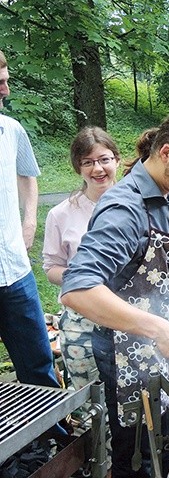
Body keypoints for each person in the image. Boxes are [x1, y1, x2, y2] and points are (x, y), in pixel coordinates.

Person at [61, 108, 169, 477]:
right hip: (126, 361)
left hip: (163, 356)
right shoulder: (124, 207)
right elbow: (78, 288)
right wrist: (159, 329)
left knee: (163, 451)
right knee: (135, 462)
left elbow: (147, 266)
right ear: (166, 152)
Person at [0, 49, 61, 391]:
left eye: (5, 81)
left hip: (15, 271)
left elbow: (28, 175)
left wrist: (30, 222)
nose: (6, 91)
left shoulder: (11, 130)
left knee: (38, 363)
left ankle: (53, 438)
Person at [43, 127, 120, 390]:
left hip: (128, 315)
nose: (98, 169)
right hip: (81, 320)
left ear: (117, 160)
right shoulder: (60, 214)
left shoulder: (137, 205)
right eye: (88, 162)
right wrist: (80, 278)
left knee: (132, 398)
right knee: (91, 398)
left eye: (104, 159)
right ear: (78, 168)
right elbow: (51, 267)